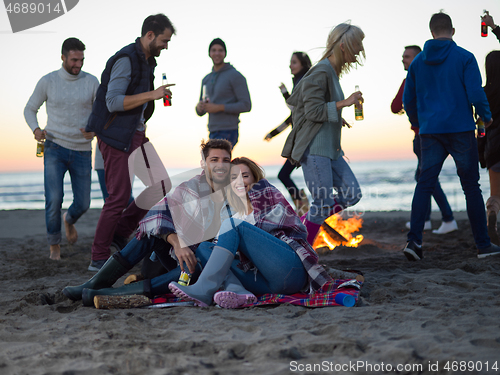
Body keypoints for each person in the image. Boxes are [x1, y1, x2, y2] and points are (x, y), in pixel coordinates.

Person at [62, 139, 235, 305]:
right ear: (204, 163)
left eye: (225, 160)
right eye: (214, 159)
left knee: (197, 267)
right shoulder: (190, 187)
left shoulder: (237, 191)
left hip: (209, 266)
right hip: (183, 257)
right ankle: (94, 284)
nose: (220, 164)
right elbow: (156, 213)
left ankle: (108, 294)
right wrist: (177, 243)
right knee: (150, 235)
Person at [169, 157, 333, 308]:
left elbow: (296, 231)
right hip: (265, 283)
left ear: (255, 178)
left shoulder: (266, 195)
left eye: (245, 176)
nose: (239, 181)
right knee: (205, 247)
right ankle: (237, 289)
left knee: (232, 225)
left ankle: (203, 290)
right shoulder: (228, 212)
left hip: (289, 270)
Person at [403, 11, 500, 260]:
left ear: (431, 32)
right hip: (460, 129)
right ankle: (483, 245)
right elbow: (476, 93)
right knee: (470, 187)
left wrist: (419, 122)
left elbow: (408, 100)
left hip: (430, 132)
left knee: (424, 185)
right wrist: (486, 117)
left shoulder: (417, 63)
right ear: (452, 31)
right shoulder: (465, 57)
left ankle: (414, 243)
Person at [85, 14, 175, 271]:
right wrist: (153, 93)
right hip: (115, 135)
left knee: (161, 184)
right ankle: (98, 256)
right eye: (164, 40)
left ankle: (121, 230)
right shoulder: (125, 59)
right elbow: (113, 101)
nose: (165, 46)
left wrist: (154, 98)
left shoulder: (149, 62)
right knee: (118, 197)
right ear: (149, 35)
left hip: (136, 133)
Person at [282, 23, 364, 245]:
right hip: (316, 150)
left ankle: (306, 222)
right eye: (358, 45)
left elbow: (323, 107)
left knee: (352, 194)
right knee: (322, 204)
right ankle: (302, 249)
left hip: (332, 149)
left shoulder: (332, 72)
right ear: (344, 45)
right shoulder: (321, 71)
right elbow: (312, 111)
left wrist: (338, 115)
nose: (360, 50)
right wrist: (344, 103)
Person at [24, 37, 99, 260]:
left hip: (83, 150)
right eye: (74, 60)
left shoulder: (92, 82)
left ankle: (69, 220)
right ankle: (54, 245)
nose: (78, 64)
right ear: (63, 58)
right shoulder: (48, 81)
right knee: (54, 198)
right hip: (54, 146)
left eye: (82, 60)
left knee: (84, 203)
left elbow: (101, 113)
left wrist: (94, 130)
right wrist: (36, 129)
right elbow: (30, 108)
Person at [391, 45, 457, 234]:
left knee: (427, 178)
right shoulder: (433, 77)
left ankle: (448, 218)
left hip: (423, 135)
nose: (403, 59)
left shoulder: (410, 79)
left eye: (407, 56)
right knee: (423, 176)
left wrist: (408, 109)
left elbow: (395, 106)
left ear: (418, 58)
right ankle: (426, 220)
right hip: (440, 132)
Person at [264, 52, 312, 216]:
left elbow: (295, 108)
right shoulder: (298, 82)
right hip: (300, 139)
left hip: (304, 140)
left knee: (284, 174)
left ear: (303, 65)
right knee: (284, 175)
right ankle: (302, 203)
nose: (290, 65)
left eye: (294, 62)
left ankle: (303, 204)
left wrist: (285, 93)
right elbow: (292, 117)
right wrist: (273, 133)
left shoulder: (304, 82)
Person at [195, 38, 252, 148]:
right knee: (215, 164)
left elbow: (246, 105)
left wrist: (220, 107)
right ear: (209, 53)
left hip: (228, 130)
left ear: (225, 53)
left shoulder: (235, 75)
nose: (217, 53)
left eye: (220, 50)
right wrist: (199, 107)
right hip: (212, 129)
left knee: (218, 164)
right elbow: (201, 111)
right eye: (214, 50)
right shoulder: (206, 79)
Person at [478, 51, 500, 245]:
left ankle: (492, 215)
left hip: (494, 150)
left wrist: (481, 155)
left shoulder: (484, 94)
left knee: (495, 194)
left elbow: (481, 129)